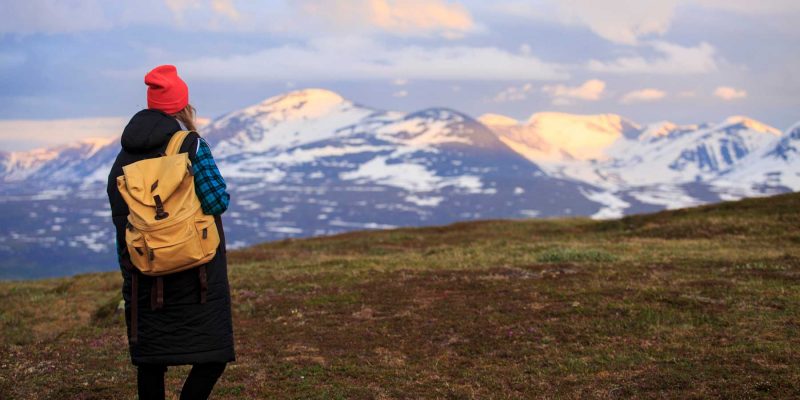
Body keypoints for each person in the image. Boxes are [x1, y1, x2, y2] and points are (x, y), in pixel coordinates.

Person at [106, 65, 235, 400]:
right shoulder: (190, 146)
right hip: (197, 271)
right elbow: (217, 201)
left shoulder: (123, 159)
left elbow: (122, 221)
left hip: (145, 272)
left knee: (152, 362)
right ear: (182, 106)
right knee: (212, 355)